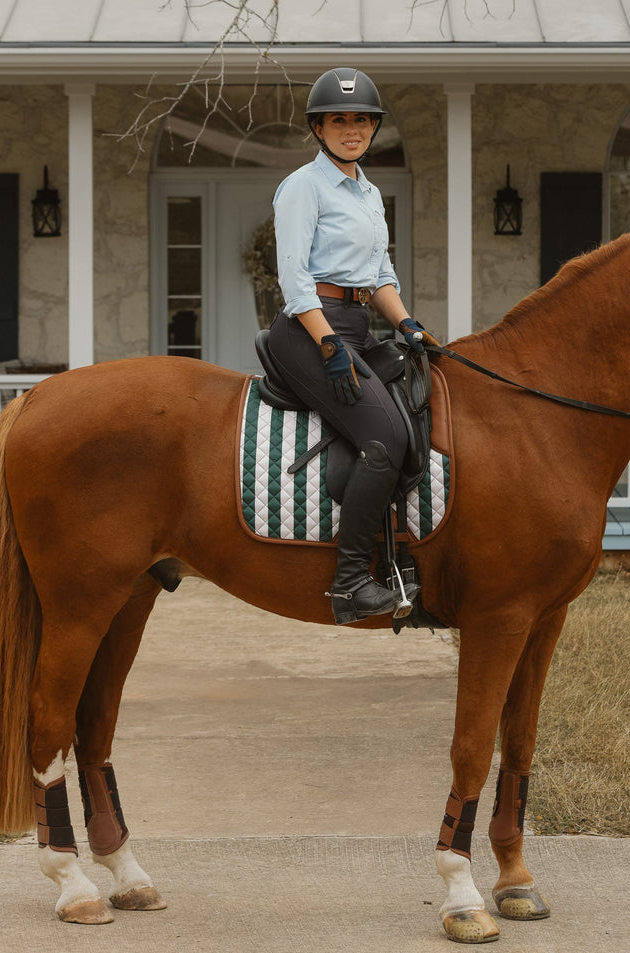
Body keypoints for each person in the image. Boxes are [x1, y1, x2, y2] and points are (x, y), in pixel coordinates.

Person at [268, 67, 436, 626]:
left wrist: (407, 324)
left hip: (359, 324)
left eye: (361, 120)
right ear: (318, 128)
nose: (352, 129)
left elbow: (379, 275)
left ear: (373, 128)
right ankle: (350, 583)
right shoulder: (303, 187)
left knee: (418, 411)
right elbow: (295, 279)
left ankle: (399, 556)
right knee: (385, 437)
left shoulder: (368, 192)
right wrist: (328, 343)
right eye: (338, 120)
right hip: (308, 329)